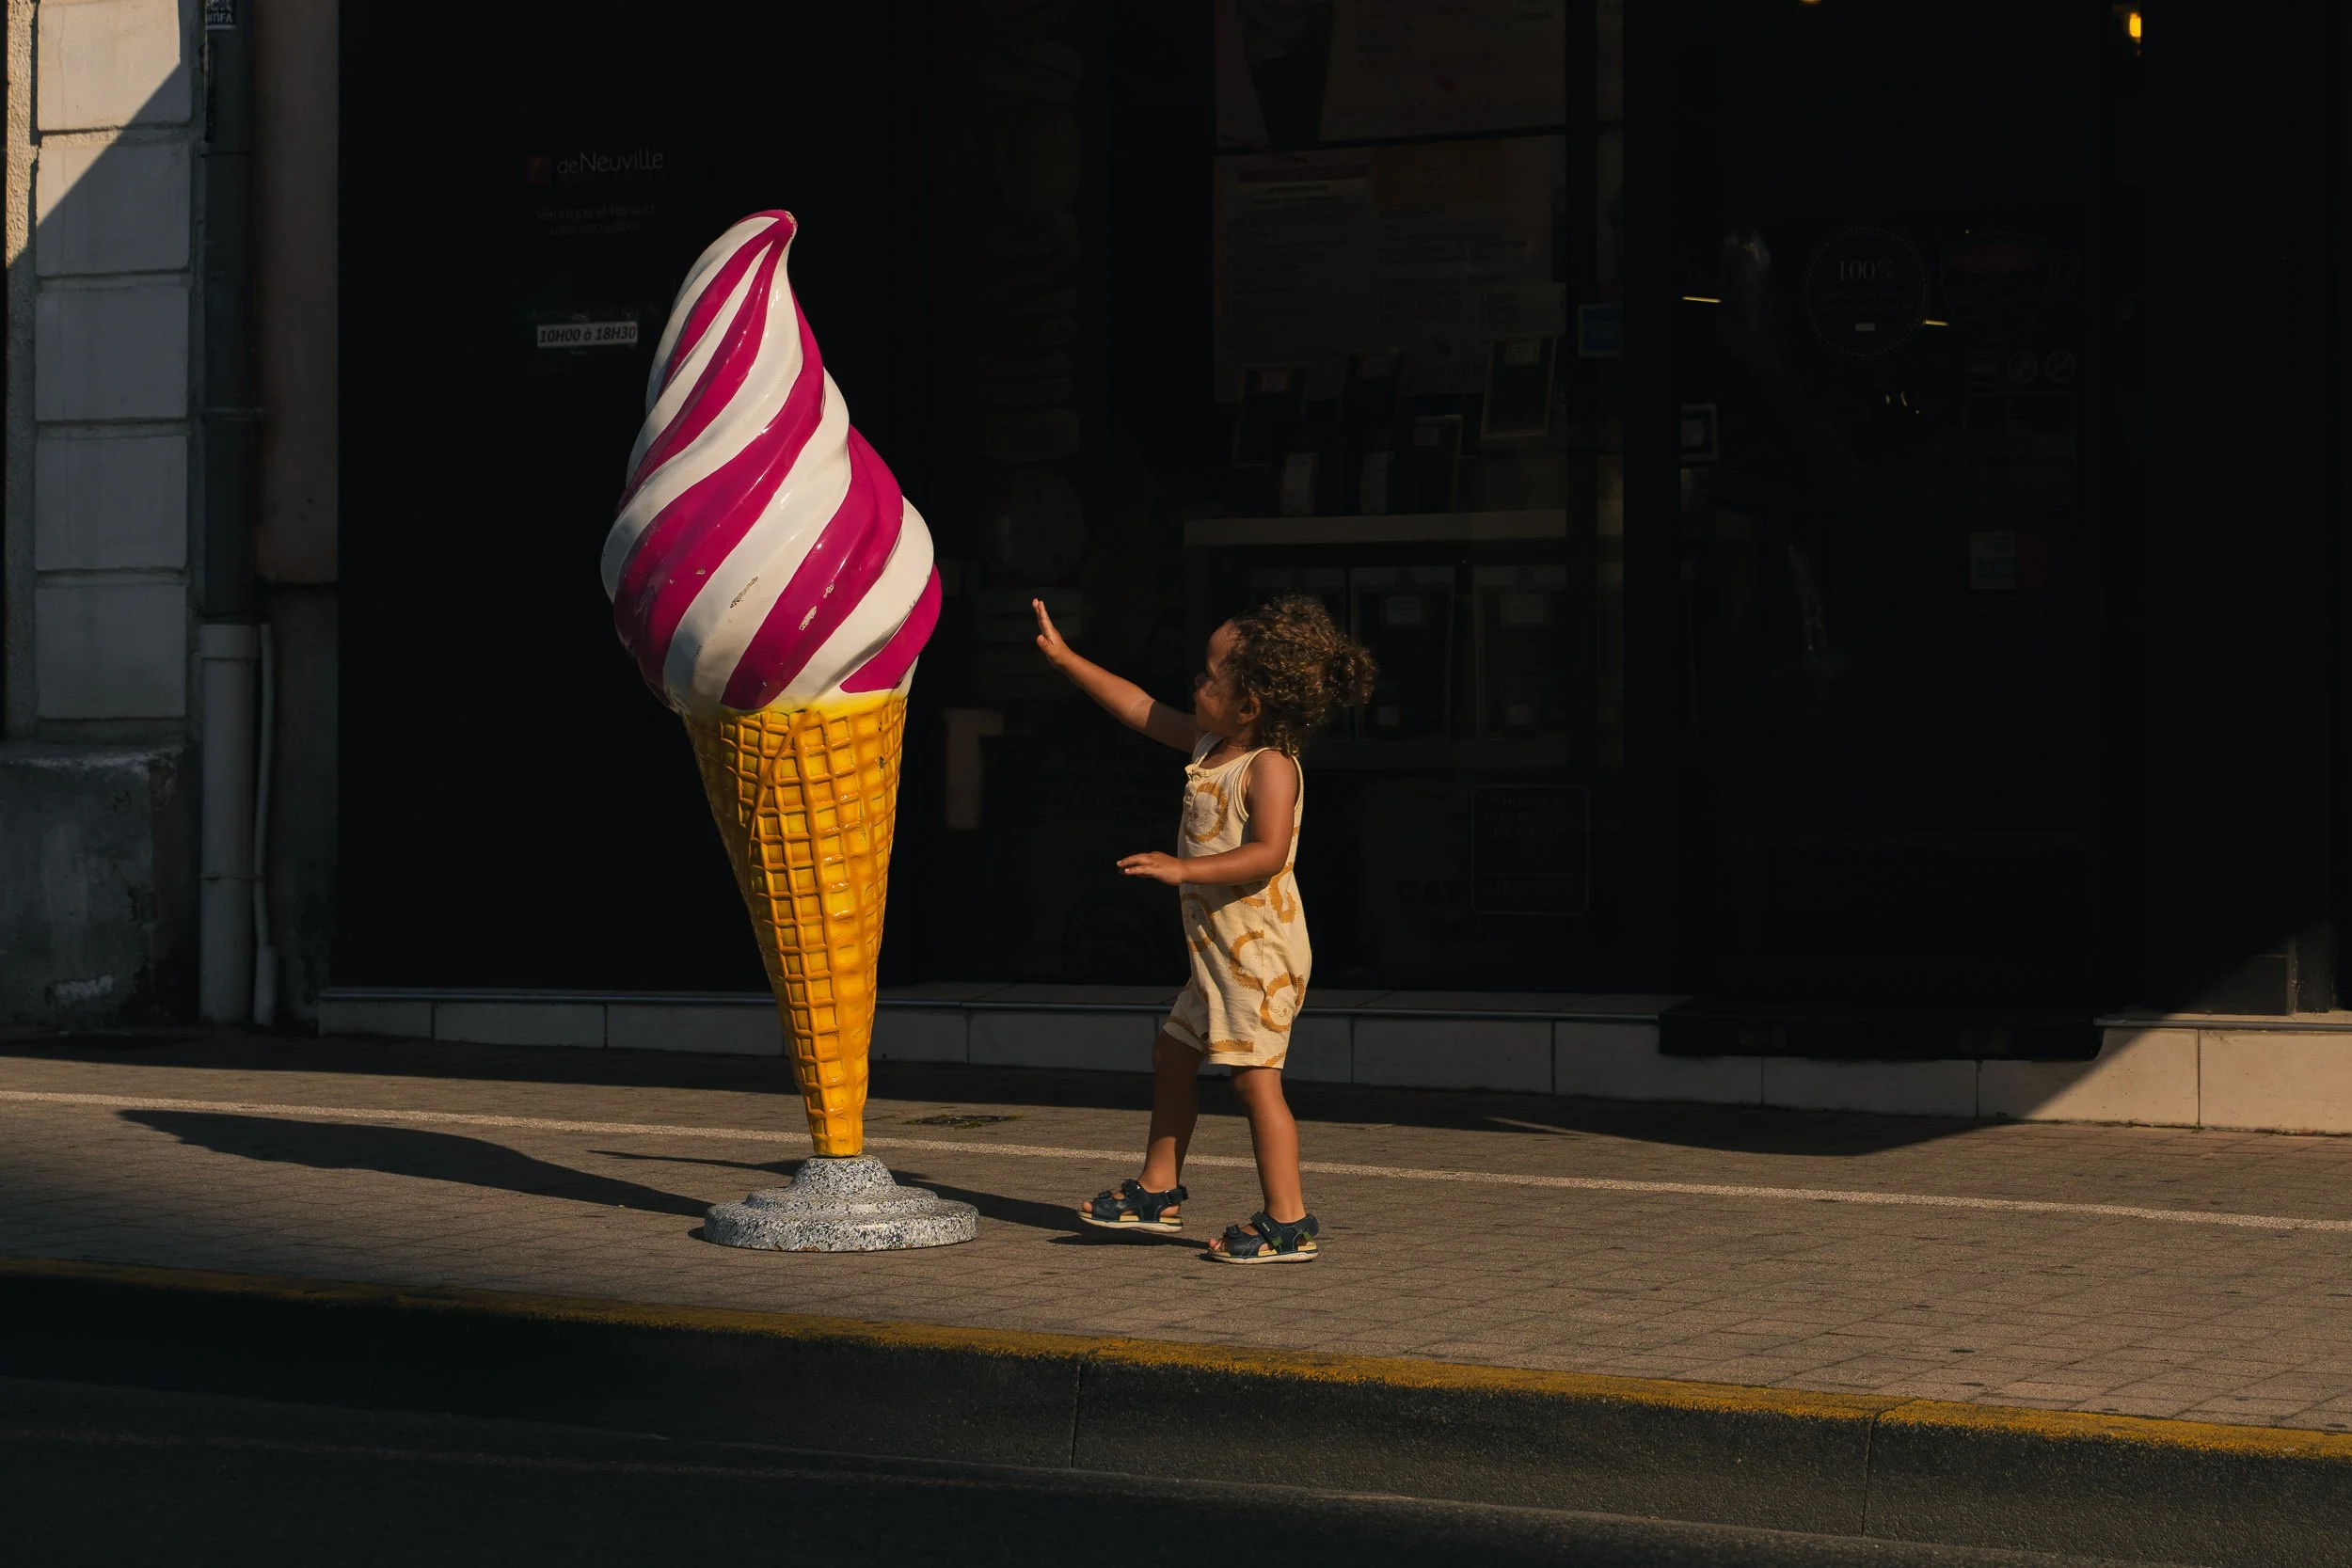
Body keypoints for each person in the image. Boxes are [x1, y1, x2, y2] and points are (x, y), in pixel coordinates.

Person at [1033, 594, 1376, 1262]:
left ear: (1250, 704)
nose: (1196, 680)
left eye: (1211, 673)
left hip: (1259, 955)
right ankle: (1157, 1190)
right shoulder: (1211, 744)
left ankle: (1290, 1220)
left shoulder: (1268, 766)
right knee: (1174, 1056)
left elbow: (1270, 851)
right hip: (1217, 956)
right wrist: (1067, 658)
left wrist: (1182, 868)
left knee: (1255, 1080)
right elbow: (1137, 708)